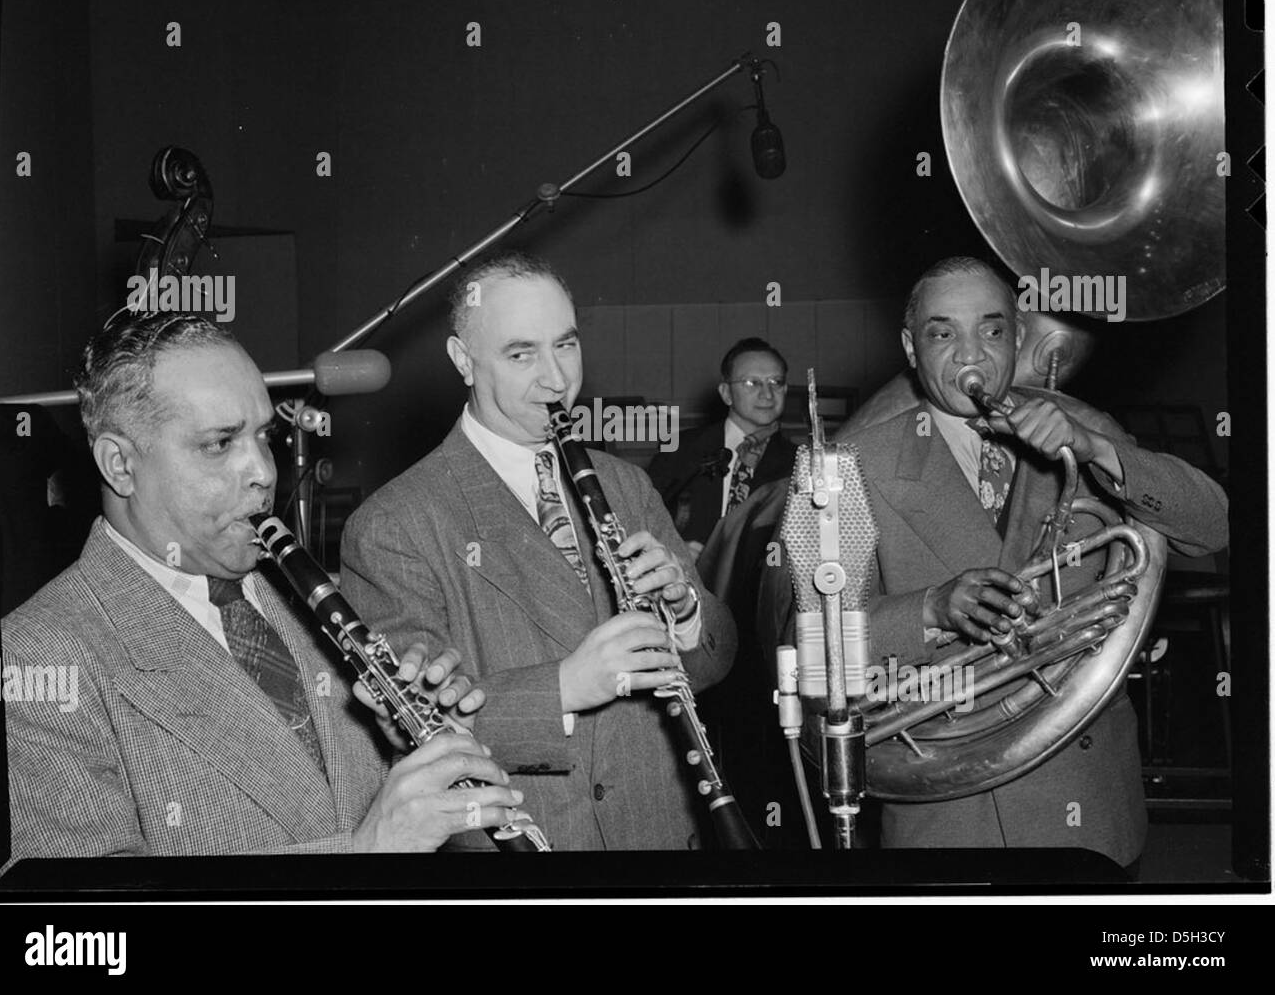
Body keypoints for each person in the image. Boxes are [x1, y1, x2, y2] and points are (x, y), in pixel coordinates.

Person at [0, 312, 525, 868]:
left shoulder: (307, 594)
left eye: (262, 436)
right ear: (120, 465)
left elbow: (339, 799)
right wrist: (367, 851)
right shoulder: (39, 655)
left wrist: (401, 748)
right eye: (219, 444)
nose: (262, 472)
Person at [768, 256, 1228, 868]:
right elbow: (807, 653)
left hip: (1087, 805)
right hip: (948, 817)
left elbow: (1212, 526)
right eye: (942, 333)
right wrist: (930, 608)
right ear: (910, 347)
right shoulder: (847, 463)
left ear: (1017, 336)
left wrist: (1097, 451)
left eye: (991, 331)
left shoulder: (1084, 427)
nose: (970, 357)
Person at [340, 251, 738, 851]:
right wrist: (565, 688)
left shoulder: (624, 484)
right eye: (521, 353)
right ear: (462, 361)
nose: (556, 380)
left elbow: (715, 658)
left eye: (567, 345)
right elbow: (410, 723)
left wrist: (684, 615)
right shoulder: (394, 523)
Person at [647, 337, 795, 560]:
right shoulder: (679, 450)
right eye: (752, 383)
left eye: (776, 382)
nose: (767, 393)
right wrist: (672, 550)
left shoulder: (800, 462)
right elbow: (640, 516)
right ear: (726, 393)